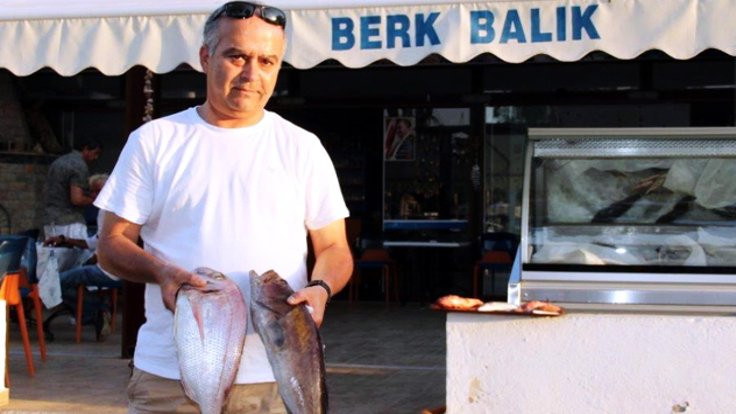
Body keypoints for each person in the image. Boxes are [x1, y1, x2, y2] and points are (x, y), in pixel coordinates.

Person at [94, 2, 353, 413]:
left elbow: (334, 248)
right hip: (171, 376)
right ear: (205, 57)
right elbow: (109, 244)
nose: (252, 74)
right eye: (237, 56)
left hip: (276, 375)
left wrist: (321, 289)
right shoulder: (156, 141)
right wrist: (161, 272)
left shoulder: (302, 147)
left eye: (267, 61)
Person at [44, 174, 120, 342]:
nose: (93, 195)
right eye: (91, 191)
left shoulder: (113, 210)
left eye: (97, 191)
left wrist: (97, 257)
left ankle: (94, 311)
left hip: (112, 270)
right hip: (109, 268)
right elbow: (95, 241)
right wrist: (65, 240)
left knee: (53, 282)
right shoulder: (105, 210)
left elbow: (114, 240)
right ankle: (95, 312)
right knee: (63, 279)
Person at [42, 137, 103, 239]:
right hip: (69, 222)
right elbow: (77, 199)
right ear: (86, 149)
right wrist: (95, 200)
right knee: (77, 254)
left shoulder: (58, 162)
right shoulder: (79, 166)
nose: (96, 157)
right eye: (95, 153)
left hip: (50, 220)